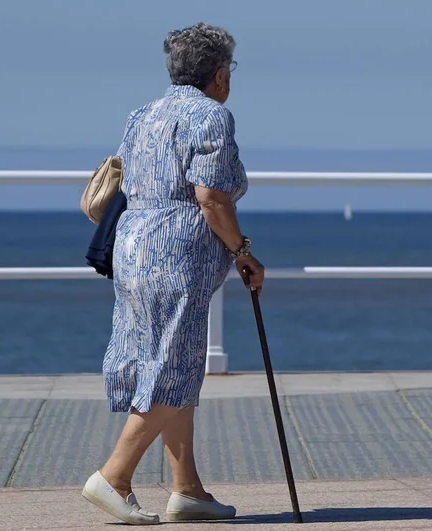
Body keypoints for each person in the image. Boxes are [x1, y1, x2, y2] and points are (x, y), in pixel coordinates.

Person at [81, 22, 264, 525]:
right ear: (220, 74)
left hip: (134, 246)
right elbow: (211, 199)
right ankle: (114, 477)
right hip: (176, 253)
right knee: (172, 365)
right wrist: (242, 250)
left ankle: (188, 490)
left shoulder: (144, 113)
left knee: (165, 360)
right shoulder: (210, 116)